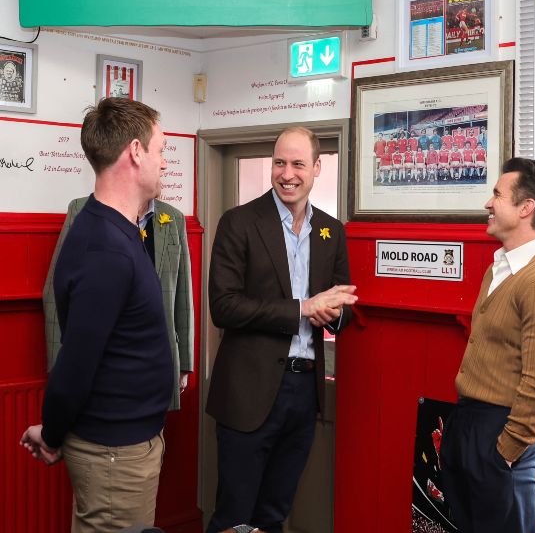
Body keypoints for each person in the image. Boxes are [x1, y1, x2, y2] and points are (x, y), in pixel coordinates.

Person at [20, 98, 174, 533]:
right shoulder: (105, 247)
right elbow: (76, 362)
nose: (164, 162)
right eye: (161, 150)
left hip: (124, 447)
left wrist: (53, 428)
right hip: (115, 456)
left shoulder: (118, 230)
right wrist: (52, 433)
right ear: (135, 152)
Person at [205, 126, 357, 533]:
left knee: (274, 514)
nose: (287, 174)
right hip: (247, 393)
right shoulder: (238, 223)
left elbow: (343, 306)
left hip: (304, 394)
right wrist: (303, 309)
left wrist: (334, 314)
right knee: (234, 517)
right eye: (279, 163)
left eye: (297, 164)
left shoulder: (331, 230)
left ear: (316, 168)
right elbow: (223, 306)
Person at [441, 158, 535, 533]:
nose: (488, 203)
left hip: (502, 436)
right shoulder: (499, 267)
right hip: (469, 425)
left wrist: (505, 453)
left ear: (525, 208)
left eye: (497, 195)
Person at [43, 193, 194, 411]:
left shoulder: (174, 218)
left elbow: (183, 293)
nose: (164, 164)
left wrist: (184, 363)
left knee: (152, 440)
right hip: (100, 363)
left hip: (157, 362)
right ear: (134, 159)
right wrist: (60, 365)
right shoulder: (82, 210)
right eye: (158, 156)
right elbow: (55, 291)